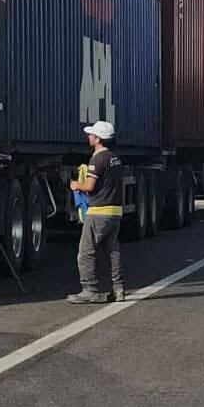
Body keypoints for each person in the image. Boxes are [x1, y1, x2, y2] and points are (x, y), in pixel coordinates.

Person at [68, 120, 126, 304]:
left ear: (99, 138)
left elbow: (90, 186)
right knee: (113, 251)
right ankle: (119, 289)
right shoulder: (115, 158)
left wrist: (76, 185)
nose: (89, 137)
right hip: (115, 212)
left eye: (92, 134)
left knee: (85, 252)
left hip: (98, 211)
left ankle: (89, 289)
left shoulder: (97, 159)